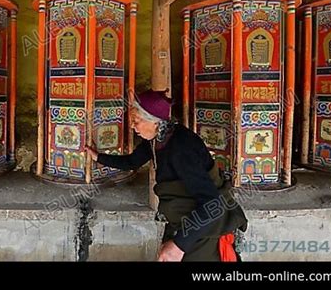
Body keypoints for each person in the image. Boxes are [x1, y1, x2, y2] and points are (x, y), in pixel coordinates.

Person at [85, 89, 248, 262]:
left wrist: (179, 245)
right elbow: (132, 162)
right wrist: (98, 157)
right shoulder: (157, 139)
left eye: (136, 120)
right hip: (184, 223)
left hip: (204, 231)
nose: (132, 126)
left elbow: (212, 204)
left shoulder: (182, 148)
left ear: (155, 122)